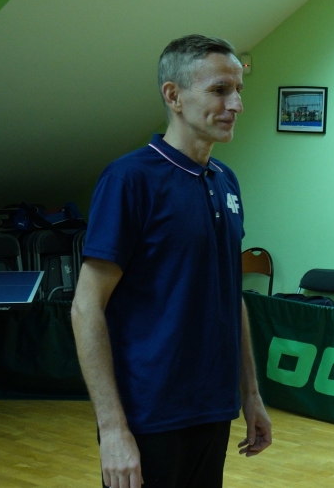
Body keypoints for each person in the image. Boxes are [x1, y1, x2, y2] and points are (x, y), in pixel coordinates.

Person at [71, 34, 272, 488]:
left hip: (213, 410)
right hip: (149, 417)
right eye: (220, 90)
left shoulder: (226, 181)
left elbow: (231, 295)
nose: (236, 104)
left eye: (238, 90)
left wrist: (251, 394)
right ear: (173, 96)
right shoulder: (129, 180)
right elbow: (86, 307)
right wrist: (112, 429)